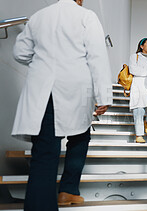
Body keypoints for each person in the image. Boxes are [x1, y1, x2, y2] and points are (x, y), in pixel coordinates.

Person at [12, 0, 112, 210]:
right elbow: (97, 57)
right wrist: (104, 96)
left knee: (45, 151)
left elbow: (19, 52)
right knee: (80, 135)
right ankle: (68, 189)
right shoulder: (86, 16)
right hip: (75, 87)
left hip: (42, 89)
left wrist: (45, 62)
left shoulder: (39, 16)